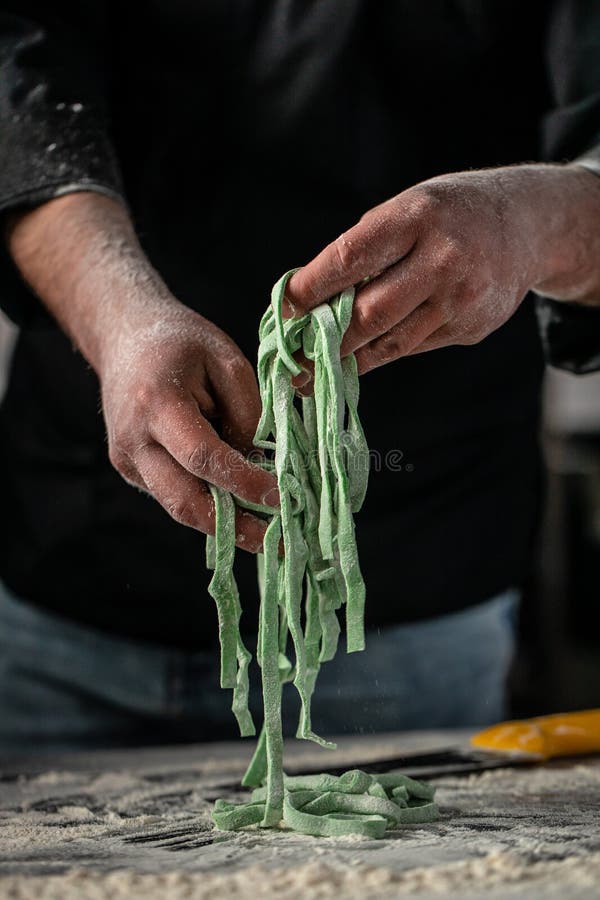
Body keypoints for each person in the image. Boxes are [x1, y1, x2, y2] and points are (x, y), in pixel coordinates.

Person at [0, 1, 599, 754]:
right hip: (69, 585)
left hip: (417, 598)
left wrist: (530, 222)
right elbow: (20, 87)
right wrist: (123, 320)